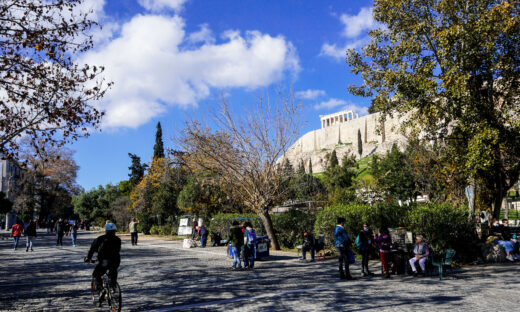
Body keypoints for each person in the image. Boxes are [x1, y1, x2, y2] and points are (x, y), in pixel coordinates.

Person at [85, 223, 121, 303]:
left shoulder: (100, 239)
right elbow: (117, 250)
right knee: (113, 271)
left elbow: (92, 249)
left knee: (96, 274)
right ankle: (113, 287)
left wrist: (89, 258)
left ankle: (101, 290)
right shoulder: (118, 240)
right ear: (115, 230)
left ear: (106, 230)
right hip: (115, 260)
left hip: (104, 261)